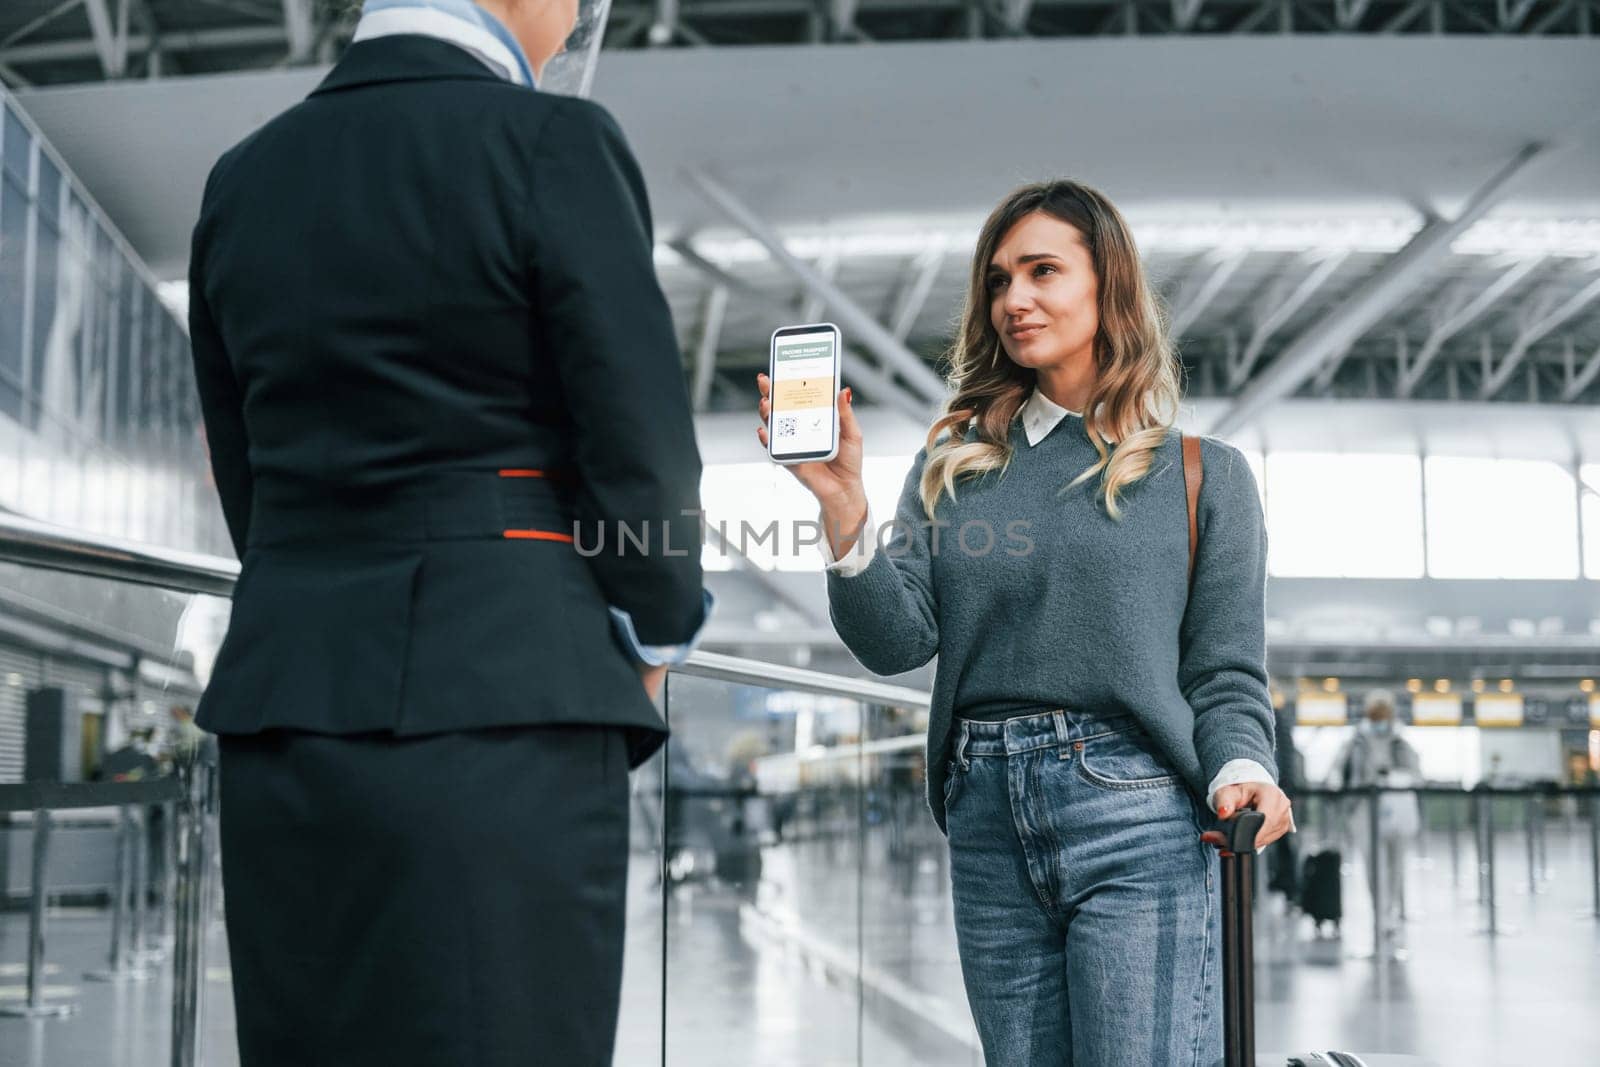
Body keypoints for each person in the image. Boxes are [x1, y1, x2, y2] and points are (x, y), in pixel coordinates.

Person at [186, 1, 713, 1063]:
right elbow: (642, 450)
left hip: (285, 709)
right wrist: (653, 635)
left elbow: (246, 473)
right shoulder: (551, 142)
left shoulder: (242, 179)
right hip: (503, 697)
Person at [757, 180, 1293, 1065]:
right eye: (1000, 280)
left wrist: (1243, 765)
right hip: (986, 818)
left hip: (1138, 810)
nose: (1014, 299)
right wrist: (842, 505)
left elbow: (1225, 670)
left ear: (1106, 287)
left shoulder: (1206, 475)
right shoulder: (956, 460)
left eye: (1043, 270)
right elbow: (897, 640)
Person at [1335, 689, 1422, 936]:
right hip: (1364, 810)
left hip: (1397, 809)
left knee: (1396, 865)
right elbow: (1341, 771)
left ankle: (1391, 910)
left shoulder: (1401, 742)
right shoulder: (1355, 742)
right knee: (1374, 865)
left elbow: (1416, 773)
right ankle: (1380, 914)